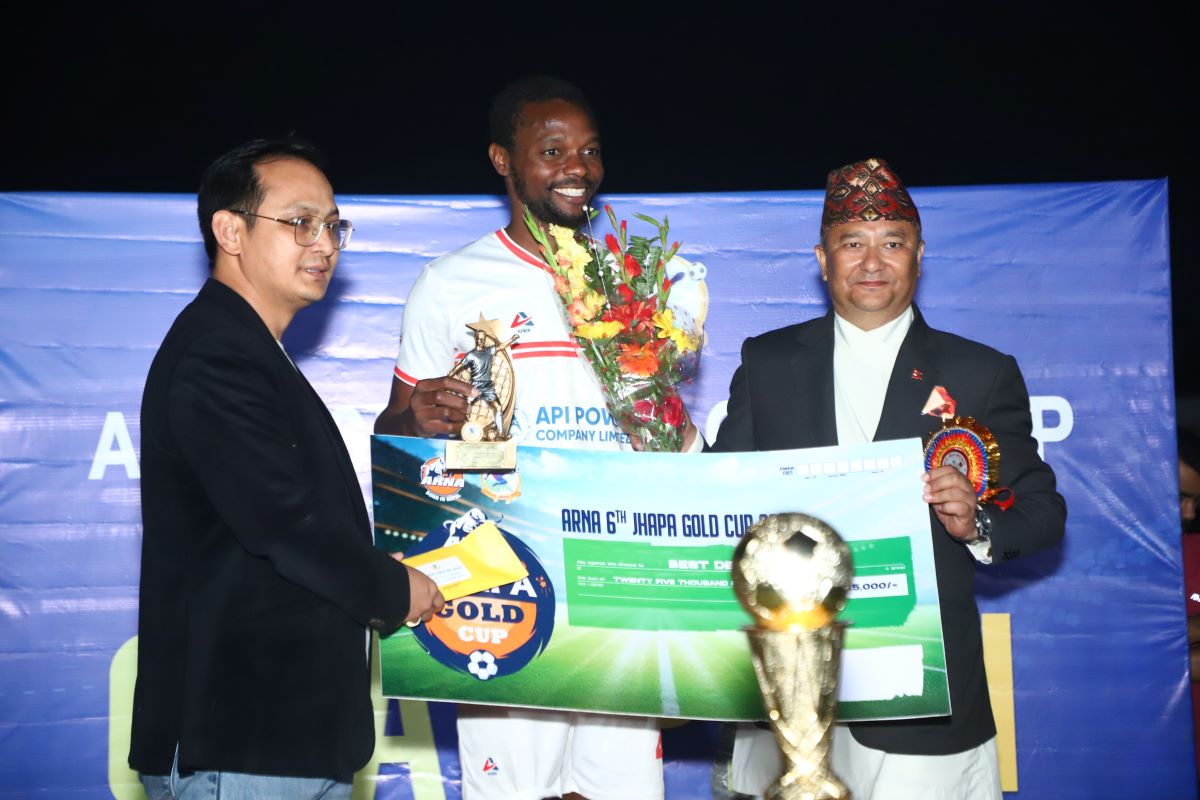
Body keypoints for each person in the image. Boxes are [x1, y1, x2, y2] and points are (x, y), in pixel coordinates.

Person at [375, 76, 697, 800]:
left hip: (616, 583)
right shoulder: (449, 283)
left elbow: (670, 439)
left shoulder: (632, 287)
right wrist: (415, 418)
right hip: (502, 585)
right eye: (553, 151)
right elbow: (394, 434)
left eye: (590, 150)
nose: (577, 167)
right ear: (503, 160)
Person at [711, 158, 1066, 799]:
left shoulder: (979, 371)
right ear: (822, 259)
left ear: (919, 256)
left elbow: (1043, 513)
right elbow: (721, 496)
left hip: (922, 687)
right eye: (853, 243)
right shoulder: (766, 361)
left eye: (892, 243)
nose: (872, 262)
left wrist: (975, 522)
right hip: (789, 685)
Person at [129, 139, 444, 800]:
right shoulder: (218, 355)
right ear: (230, 232)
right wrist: (394, 589)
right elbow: (286, 526)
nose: (324, 244)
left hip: (288, 742)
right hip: (241, 743)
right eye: (300, 222)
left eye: (333, 225)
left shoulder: (251, 352)